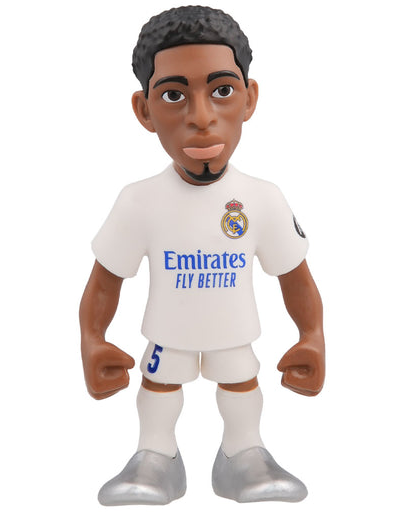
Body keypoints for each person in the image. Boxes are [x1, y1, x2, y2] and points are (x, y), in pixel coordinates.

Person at [79, 6, 325, 505]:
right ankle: (156, 456)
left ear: (249, 98)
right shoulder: (139, 201)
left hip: (232, 329)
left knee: (240, 383)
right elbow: (106, 278)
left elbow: (293, 273)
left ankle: (243, 454)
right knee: (159, 386)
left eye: (222, 91)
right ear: (144, 110)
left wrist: (312, 334)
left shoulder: (262, 199)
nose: (201, 117)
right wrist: (92, 338)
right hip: (167, 331)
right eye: (174, 96)